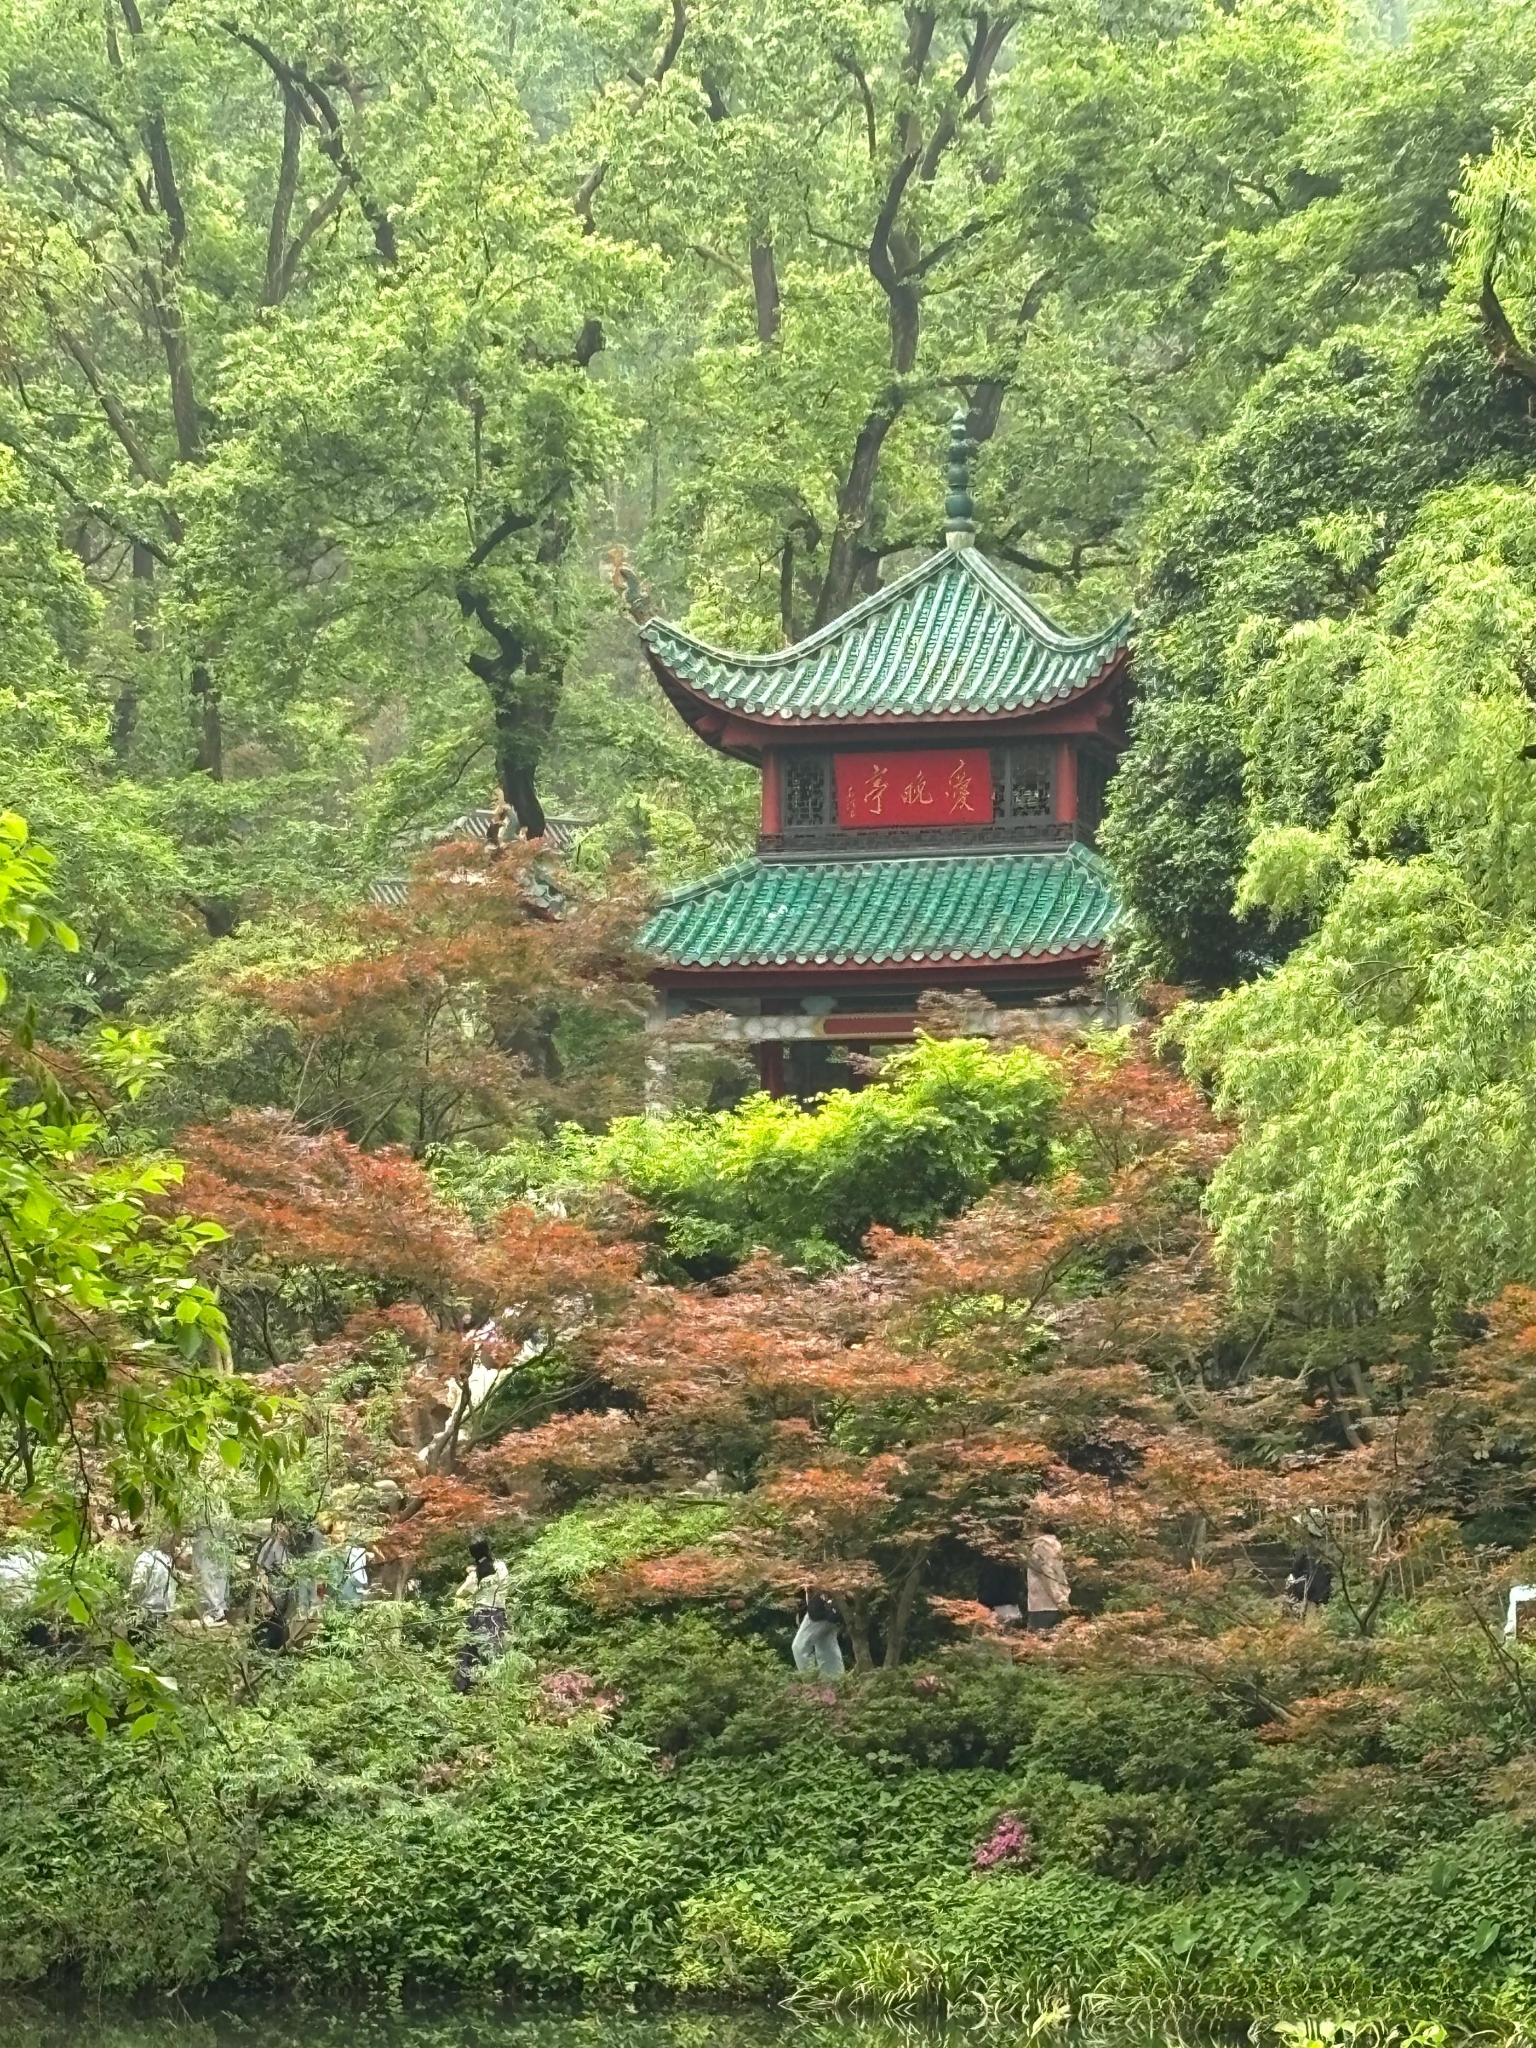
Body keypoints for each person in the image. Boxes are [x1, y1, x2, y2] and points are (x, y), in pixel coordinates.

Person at [453, 1536, 510, 1692]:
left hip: (480, 1615)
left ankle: (465, 1687)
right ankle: (493, 1687)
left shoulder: (476, 1575)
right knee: (494, 1650)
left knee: (471, 1651)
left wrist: (471, 1573)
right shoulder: (501, 1567)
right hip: (498, 1614)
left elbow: (460, 1593)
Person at [792, 1587, 845, 1678]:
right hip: (829, 1609)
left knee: (799, 1647)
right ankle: (836, 1682)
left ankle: (811, 1682)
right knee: (826, 1646)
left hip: (822, 1608)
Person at [1026, 1529, 1070, 1632]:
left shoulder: (1040, 1547)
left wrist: (1059, 1600)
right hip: (1055, 1604)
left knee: (1038, 1642)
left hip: (1041, 1605)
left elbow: (1047, 1576)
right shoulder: (1054, 1546)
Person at [130, 1541, 178, 1621]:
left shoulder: (168, 1559)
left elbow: (136, 1587)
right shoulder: (147, 1558)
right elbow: (137, 1587)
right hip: (146, 1614)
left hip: (157, 1614)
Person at [1284, 1552, 1333, 1617]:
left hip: (1312, 1591)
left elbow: (1295, 1571)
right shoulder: (1320, 1568)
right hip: (1315, 1592)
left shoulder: (1311, 1568)